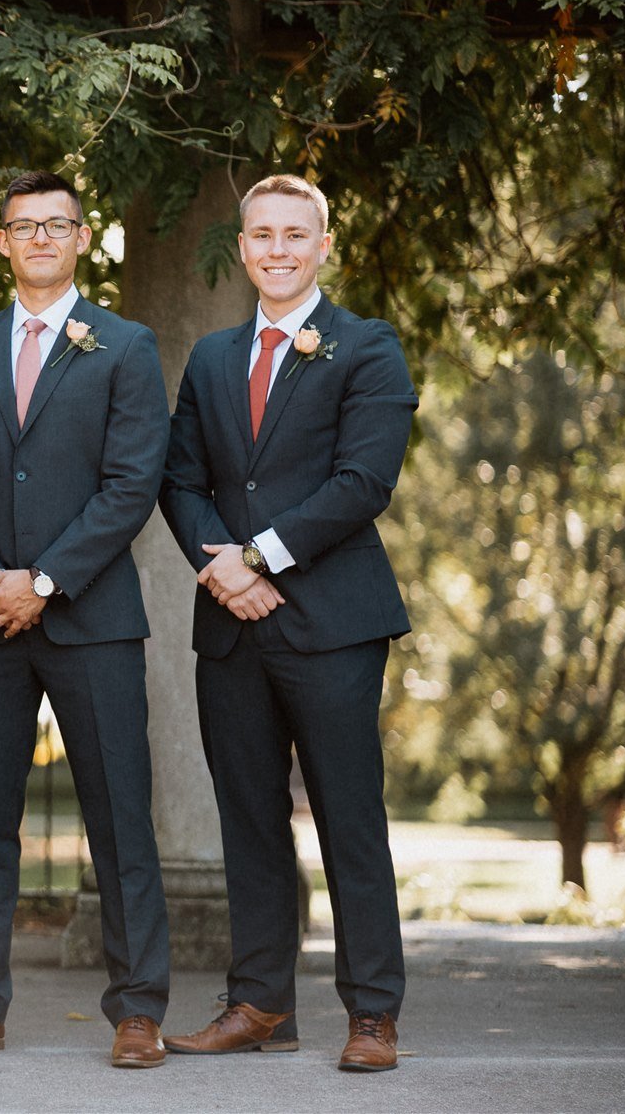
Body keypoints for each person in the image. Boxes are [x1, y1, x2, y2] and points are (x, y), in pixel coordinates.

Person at [0, 170, 173, 1068]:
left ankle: (138, 1008)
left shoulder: (126, 347)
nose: (40, 238)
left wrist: (48, 579)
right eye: (23, 226)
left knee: (118, 819)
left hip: (92, 620)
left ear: (83, 236)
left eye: (57, 224)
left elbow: (132, 483)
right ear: (1, 241)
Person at [159, 174, 416, 1074]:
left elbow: (363, 482)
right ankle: (261, 1001)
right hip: (229, 624)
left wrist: (258, 557)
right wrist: (220, 566)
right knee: (250, 820)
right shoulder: (214, 358)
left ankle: (373, 1012)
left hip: (334, 623)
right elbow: (179, 477)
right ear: (242, 247)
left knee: (350, 818)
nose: (276, 248)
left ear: (322, 245)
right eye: (261, 234)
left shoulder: (369, 349)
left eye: (293, 234)